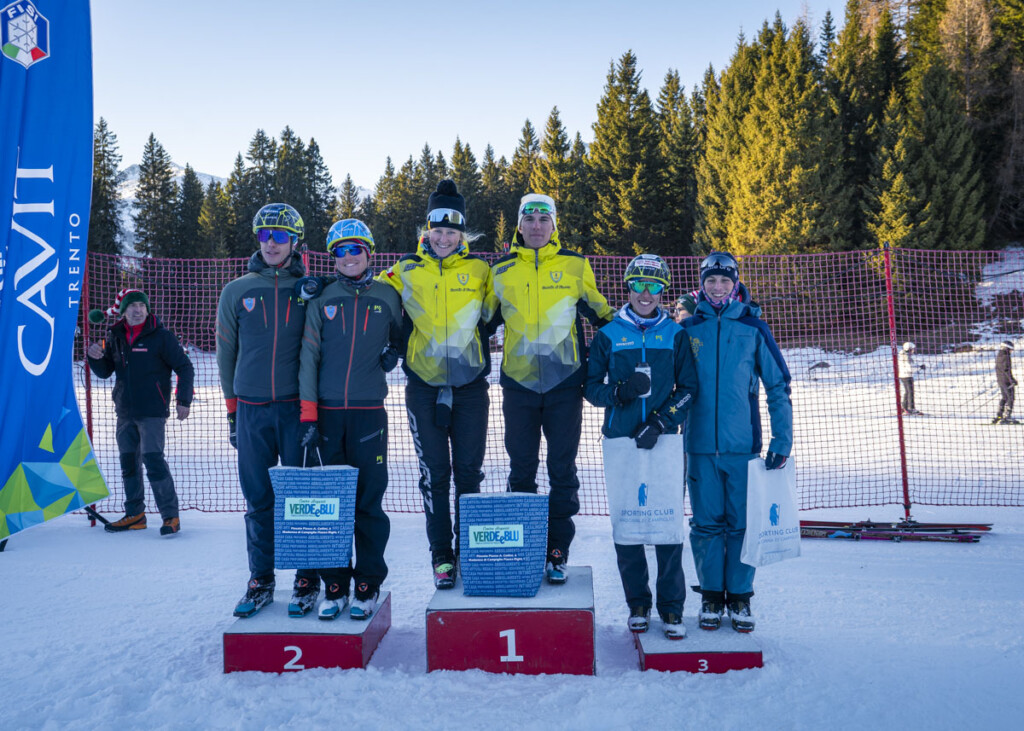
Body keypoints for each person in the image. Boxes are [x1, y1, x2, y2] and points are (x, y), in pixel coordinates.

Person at [486, 193, 614, 584]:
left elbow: (602, 314)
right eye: (530, 218)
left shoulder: (575, 265)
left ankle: (557, 549)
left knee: (562, 470)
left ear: (554, 224)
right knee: (521, 469)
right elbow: (481, 324)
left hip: (565, 385)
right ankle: (525, 546)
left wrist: (631, 347)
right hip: (519, 387)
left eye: (545, 218)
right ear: (519, 225)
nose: (537, 225)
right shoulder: (502, 270)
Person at [381, 180, 493, 590]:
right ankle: (442, 556)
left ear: (462, 234)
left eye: (451, 231)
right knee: (434, 475)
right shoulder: (406, 268)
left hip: (469, 387)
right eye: (437, 230)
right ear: (425, 230)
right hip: (424, 387)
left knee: (469, 473)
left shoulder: (481, 270)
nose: (443, 238)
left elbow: (506, 308)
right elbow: (369, 293)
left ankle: (471, 549)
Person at [585, 255, 697, 639]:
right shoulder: (610, 334)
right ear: (628, 287)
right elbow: (590, 387)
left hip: (664, 440)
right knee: (628, 524)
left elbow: (689, 388)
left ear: (663, 290)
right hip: (621, 442)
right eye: (639, 285)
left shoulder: (675, 334)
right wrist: (619, 393)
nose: (646, 294)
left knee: (667, 524)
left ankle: (670, 608)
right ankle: (638, 604)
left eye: (655, 286)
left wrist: (663, 420)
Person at [680, 251, 792, 633]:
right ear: (701, 284)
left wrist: (782, 438)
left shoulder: (753, 328)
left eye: (724, 281)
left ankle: (741, 598)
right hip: (697, 447)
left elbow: (778, 386)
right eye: (711, 280)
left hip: (743, 447)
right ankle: (712, 595)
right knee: (706, 524)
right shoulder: (689, 329)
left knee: (742, 523)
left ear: (736, 283)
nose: (717, 287)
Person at [298, 219, 403, 620]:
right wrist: (309, 415)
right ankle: (335, 585)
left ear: (369, 252)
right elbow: (308, 358)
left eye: (355, 249)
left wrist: (396, 350)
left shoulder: (387, 295)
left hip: (368, 414)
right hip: (325, 415)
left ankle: (367, 584)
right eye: (340, 251)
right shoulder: (320, 297)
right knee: (329, 504)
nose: (348, 257)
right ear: (332, 257)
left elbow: (406, 332)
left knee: (368, 503)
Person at [217, 202, 316, 618]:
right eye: (264, 235)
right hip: (252, 410)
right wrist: (232, 411)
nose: (271, 243)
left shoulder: (311, 289)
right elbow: (226, 353)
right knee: (258, 499)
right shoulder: (237, 290)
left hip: (295, 411)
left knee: (301, 498)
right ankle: (261, 579)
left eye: (279, 236)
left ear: (295, 241)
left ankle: (306, 578)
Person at [87, 289, 194, 536]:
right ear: (123, 312)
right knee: (128, 464)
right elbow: (105, 372)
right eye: (132, 306)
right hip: (124, 411)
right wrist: (95, 358)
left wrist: (183, 400)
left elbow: (184, 367)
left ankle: (170, 517)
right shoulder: (116, 336)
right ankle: (135, 514)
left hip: (152, 411)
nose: (137, 310)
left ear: (148, 309)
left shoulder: (162, 337)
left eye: (141, 306)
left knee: (153, 461)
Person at [994, 340, 1018, 425]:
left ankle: (999, 415)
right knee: (1010, 398)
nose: (1012, 351)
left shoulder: (999, 355)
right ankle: (1007, 417)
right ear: (1007, 348)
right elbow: (1006, 370)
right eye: (1011, 349)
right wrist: (1012, 380)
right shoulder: (1006, 356)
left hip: (1001, 380)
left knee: (1004, 397)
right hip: (1006, 381)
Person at [898, 341, 924, 415]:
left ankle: (904, 407)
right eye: (912, 349)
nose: (913, 350)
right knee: (910, 392)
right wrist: (920, 367)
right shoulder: (906, 357)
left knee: (907, 391)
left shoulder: (904, 356)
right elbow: (911, 368)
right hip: (907, 376)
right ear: (909, 349)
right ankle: (911, 408)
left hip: (904, 375)